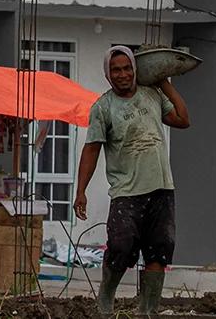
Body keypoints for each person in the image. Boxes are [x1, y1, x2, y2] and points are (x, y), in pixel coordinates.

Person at [74, 45, 190, 316]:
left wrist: (163, 80)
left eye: (127, 68)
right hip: (127, 192)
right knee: (121, 248)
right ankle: (106, 298)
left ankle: (147, 311)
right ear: (108, 74)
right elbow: (91, 149)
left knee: (159, 252)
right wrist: (81, 191)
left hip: (162, 189)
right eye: (116, 70)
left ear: (135, 70)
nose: (123, 74)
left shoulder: (152, 95)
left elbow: (183, 119)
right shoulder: (104, 108)